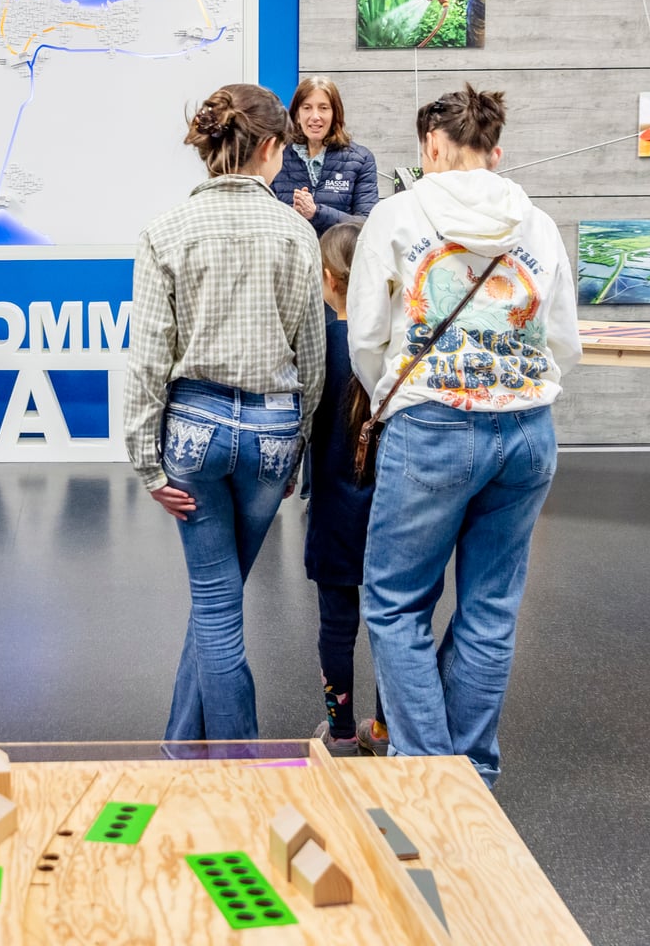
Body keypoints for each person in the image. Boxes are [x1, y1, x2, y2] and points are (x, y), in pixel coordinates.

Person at [348, 85, 580, 786]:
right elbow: (563, 341)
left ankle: (427, 774)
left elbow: (366, 339)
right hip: (528, 429)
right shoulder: (538, 224)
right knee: (491, 609)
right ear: (495, 152)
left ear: (431, 146)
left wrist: (397, 394)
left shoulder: (396, 215)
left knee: (396, 604)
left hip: (431, 425)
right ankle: (472, 770)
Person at [124, 84, 325, 742]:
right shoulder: (297, 233)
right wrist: (297, 449)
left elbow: (148, 360)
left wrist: (148, 465)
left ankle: (212, 759)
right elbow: (312, 358)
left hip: (195, 431)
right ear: (267, 147)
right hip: (271, 432)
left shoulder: (163, 232)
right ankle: (207, 755)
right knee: (222, 599)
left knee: (216, 601)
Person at [306, 221, 387, 757]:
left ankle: (338, 732)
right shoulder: (390, 346)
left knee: (336, 625)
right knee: (393, 622)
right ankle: (382, 729)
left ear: (329, 279)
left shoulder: (320, 347)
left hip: (334, 509)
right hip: (391, 505)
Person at [272, 76, 380, 234]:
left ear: (335, 114)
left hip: (338, 250)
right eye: (307, 108)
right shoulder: (277, 156)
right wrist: (293, 215)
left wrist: (317, 213)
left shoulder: (360, 159)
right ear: (297, 115)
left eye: (323, 108)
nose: (315, 116)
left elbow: (367, 224)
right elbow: (265, 217)